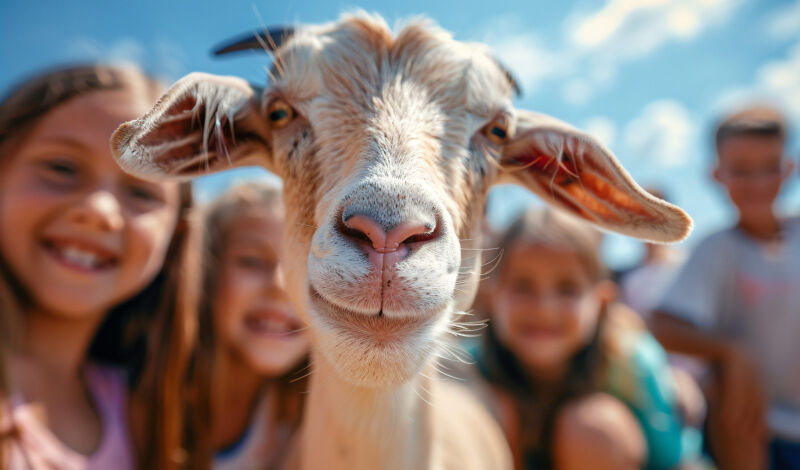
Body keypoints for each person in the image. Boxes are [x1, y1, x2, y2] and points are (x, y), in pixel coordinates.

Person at [0, 64, 198, 470]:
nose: (99, 211)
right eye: (61, 168)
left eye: (142, 193)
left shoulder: (139, 415)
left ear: (174, 236)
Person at [471, 207, 700, 470]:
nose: (544, 309)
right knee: (484, 408)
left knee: (593, 426)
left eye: (567, 289)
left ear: (602, 303)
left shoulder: (631, 363)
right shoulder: (469, 367)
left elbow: (672, 461)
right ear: (491, 297)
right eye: (522, 287)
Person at [652, 106, 800, 470]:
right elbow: (661, 325)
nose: (757, 182)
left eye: (769, 167)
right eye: (742, 170)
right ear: (717, 174)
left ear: (788, 170)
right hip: (761, 431)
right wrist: (732, 354)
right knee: (722, 381)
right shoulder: (717, 249)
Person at [198, 182, 310, 470]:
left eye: (309, 266)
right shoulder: (132, 397)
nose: (281, 286)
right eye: (251, 261)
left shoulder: (298, 423)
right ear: (205, 268)